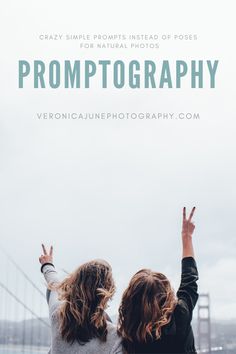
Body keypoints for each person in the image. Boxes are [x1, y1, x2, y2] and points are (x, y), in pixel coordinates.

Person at [118, 207, 199, 353]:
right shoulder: (180, 316)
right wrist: (187, 237)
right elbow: (190, 280)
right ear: (166, 295)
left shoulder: (128, 333)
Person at [39, 247, 122, 354]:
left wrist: (47, 265)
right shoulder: (115, 337)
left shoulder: (57, 315)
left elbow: (54, 285)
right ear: (107, 293)